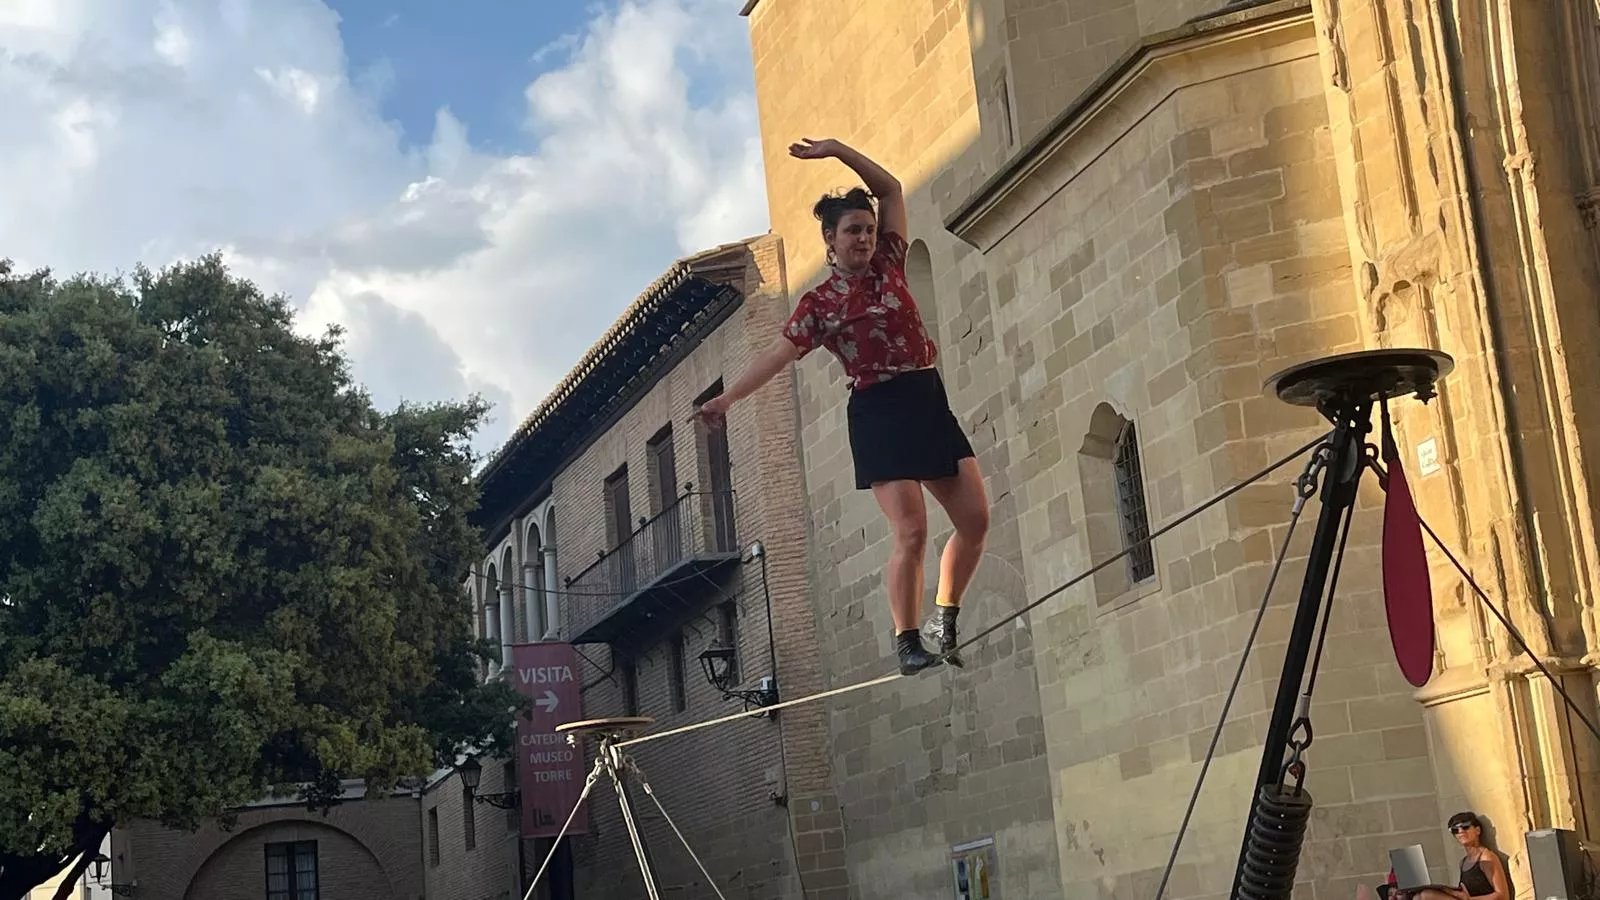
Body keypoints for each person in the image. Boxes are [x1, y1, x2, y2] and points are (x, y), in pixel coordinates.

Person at [695, 137, 990, 676]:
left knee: (975, 521)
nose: (864, 237)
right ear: (830, 240)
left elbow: (891, 189)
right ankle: (906, 642)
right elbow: (778, 354)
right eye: (853, 230)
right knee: (912, 530)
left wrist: (837, 150)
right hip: (877, 411)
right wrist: (729, 397)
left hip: (926, 397)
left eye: (868, 228)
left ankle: (944, 617)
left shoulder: (891, 262)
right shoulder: (820, 304)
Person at [1393, 812, 1509, 900]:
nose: (1460, 831)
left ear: (1477, 830)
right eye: (1455, 830)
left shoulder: (1486, 857)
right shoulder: (1463, 862)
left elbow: (1502, 895)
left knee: (1426, 896)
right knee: (1414, 896)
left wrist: (1470, 899)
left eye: (1465, 826)